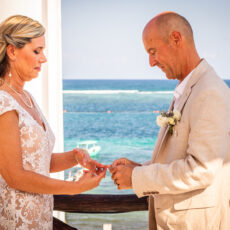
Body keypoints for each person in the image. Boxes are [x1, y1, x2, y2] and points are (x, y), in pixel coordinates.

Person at [110, 11, 230, 230]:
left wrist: (137, 177)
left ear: (176, 39)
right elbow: (182, 156)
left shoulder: (209, 91)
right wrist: (139, 167)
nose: (151, 62)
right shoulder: (190, 87)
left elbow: (202, 169)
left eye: (153, 51)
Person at [0, 15, 107, 230]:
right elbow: (15, 176)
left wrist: (74, 157)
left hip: (41, 218)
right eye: (37, 51)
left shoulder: (28, 98)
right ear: (12, 51)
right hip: (16, 221)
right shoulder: (3, 101)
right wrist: (74, 188)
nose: (44, 59)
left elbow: (38, 163)